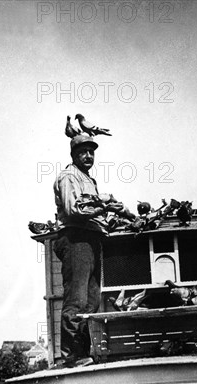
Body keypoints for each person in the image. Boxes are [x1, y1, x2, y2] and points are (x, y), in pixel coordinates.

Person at [52, 134, 122, 368]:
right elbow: (73, 210)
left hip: (90, 238)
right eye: (83, 151)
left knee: (91, 300)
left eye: (92, 152)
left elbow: (92, 212)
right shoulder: (70, 177)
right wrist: (103, 205)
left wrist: (109, 216)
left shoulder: (88, 180)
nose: (89, 155)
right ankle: (71, 356)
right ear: (73, 154)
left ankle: (83, 353)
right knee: (77, 300)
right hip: (75, 239)